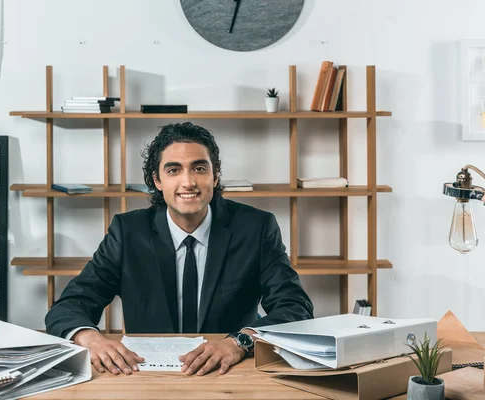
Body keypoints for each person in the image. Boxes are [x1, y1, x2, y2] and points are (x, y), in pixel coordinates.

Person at [45, 122, 313, 376]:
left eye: (199, 168)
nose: (188, 182)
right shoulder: (128, 232)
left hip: (229, 371)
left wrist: (239, 342)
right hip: (147, 373)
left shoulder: (256, 228)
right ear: (157, 180)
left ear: (215, 175)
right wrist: (91, 338)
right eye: (173, 170)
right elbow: (70, 305)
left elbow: (295, 307)